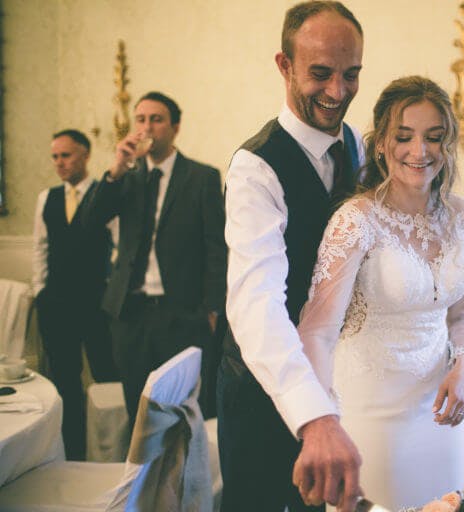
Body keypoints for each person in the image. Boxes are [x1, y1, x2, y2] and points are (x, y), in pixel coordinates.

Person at [297, 76, 464, 510]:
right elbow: (317, 332)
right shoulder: (356, 220)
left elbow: (461, 315)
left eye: (433, 138)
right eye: (404, 137)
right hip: (370, 411)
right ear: (380, 143)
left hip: (440, 412)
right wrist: (322, 424)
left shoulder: (463, 216)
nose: (419, 152)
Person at [217, 2, 365, 511]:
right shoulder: (254, 168)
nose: (338, 92)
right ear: (284, 66)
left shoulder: (355, 145)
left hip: (338, 383)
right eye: (320, 74)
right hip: (262, 393)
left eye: (351, 75)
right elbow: (255, 303)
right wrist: (314, 415)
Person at [82, 92, 226, 427]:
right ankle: (142, 480)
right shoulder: (125, 178)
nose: (147, 127)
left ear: (175, 127)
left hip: (182, 314)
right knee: (139, 412)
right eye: (141, 119)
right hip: (129, 315)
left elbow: (216, 246)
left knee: (183, 412)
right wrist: (117, 168)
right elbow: (89, 224)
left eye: (156, 119)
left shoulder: (202, 177)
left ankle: (184, 480)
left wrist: (213, 308)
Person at [32, 129, 119, 460]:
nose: (59, 163)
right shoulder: (47, 198)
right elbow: (40, 247)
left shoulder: (104, 193)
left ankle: (110, 451)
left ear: (85, 154)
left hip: (96, 303)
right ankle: (71, 452)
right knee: (65, 380)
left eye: (65, 155)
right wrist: (40, 291)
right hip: (56, 304)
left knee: (106, 375)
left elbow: (118, 246)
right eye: (55, 156)